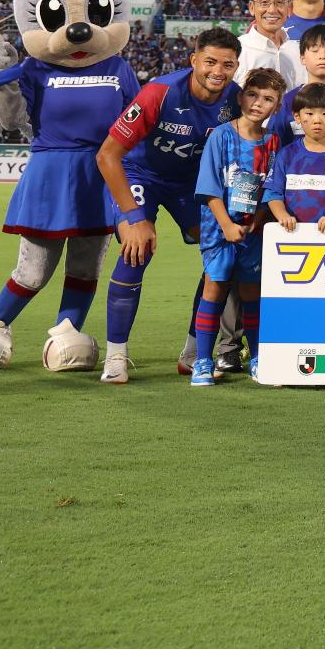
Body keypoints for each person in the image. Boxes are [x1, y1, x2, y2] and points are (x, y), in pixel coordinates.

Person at [0, 17, 142, 374]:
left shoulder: (118, 68)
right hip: (50, 173)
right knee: (33, 271)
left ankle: (67, 334)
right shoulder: (36, 67)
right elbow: (11, 121)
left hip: (103, 172)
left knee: (85, 268)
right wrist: (5, 82)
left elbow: (137, 121)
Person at [98, 29, 243, 384]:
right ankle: (115, 356)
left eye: (227, 64)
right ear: (194, 60)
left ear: (236, 66)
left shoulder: (236, 100)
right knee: (137, 249)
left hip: (191, 184)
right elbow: (107, 156)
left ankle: (193, 353)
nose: (218, 71)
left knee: (221, 256)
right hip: (141, 175)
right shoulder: (159, 93)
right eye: (210, 62)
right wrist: (134, 217)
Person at [187, 66, 284, 385]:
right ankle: (203, 361)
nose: (258, 103)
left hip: (253, 232)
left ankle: (257, 358)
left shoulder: (273, 142)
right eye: (253, 95)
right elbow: (209, 188)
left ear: (277, 106)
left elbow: (272, 187)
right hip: (219, 229)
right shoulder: (221, 136)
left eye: (267, 99)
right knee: (214, 289)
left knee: (251, 293)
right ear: (241, 97)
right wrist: (227, 224)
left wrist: (260, 216)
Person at [263, 83, 325, 237]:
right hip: (290, 235)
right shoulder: (286, 155)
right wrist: (283, 216)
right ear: (297, 117)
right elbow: (273, 192)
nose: (317, 120)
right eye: (309, 113)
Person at [273, 24, 325, 146]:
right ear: (302, 58)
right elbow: (276, 145)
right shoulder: (286, 103)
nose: (322, 56)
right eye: (315, 50)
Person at [237, 0, 305, 91]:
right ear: (252, 7)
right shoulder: (237, 51)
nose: (272, 10)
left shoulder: (299, 52)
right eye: (264, 2)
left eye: (280, 2)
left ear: (289, 8)